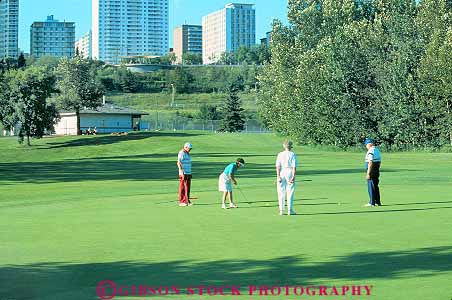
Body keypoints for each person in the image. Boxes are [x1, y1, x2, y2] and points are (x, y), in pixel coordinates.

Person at [276, 140, 298, 215]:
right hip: (289, 172)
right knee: (290, 192)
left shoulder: (280, 154)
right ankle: (289, 210)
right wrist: (293, 176)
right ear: (290, 147)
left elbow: (278, 166)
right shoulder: (292, 154)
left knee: (281, 192)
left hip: (282, 172)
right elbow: (294, 167)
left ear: (284, 146)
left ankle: (281, 210)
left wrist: (278, 176)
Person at [364, 138, 382, 207]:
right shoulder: (377, 150)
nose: (366, 146)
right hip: (376, 169)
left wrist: (368, 173)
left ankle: (371, 202)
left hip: (371, 170)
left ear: (369, 144)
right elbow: (380, 161)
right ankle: (377, 201)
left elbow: (370, 162)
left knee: (371, 186)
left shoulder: (371, 151)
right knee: (375, 186)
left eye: (366, 145)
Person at [177, 142, 193, 207]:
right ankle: (182, 201)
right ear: (185, 147)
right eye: (189, 148)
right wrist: (181, 172)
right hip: (183, 173)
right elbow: (178, 163)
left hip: (188, 172)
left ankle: (187, 201)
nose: (190, 150)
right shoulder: (181, 153)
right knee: (183, 187)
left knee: (188, 187)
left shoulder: (187, 153)